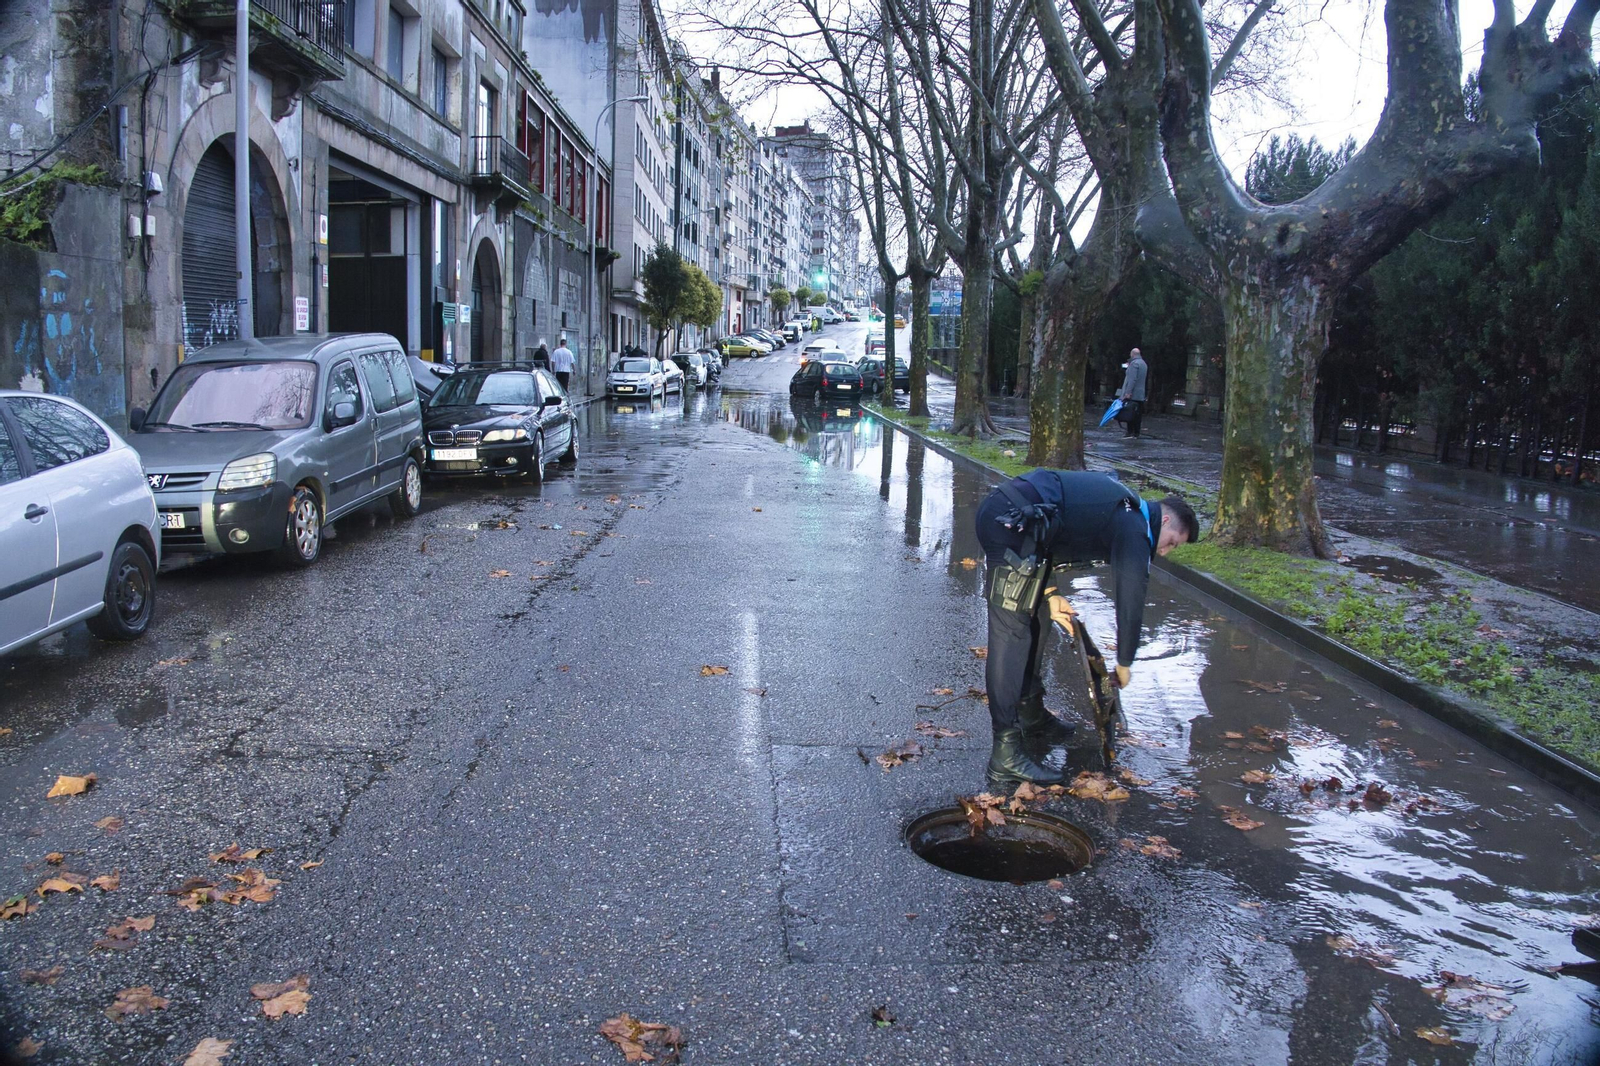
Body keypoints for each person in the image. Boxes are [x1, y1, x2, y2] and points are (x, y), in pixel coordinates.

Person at [975, 470, 1198, 787]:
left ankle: (1031, 714)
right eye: (1171, 542)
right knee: (1012, 634)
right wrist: (1125, 662)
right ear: (1163, 521)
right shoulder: (1135, 526)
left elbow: (1052, 522)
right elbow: (1131, 597)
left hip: (1022, 523)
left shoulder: (1122, 508)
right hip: (1009, 523)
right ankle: (1005, 755)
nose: (1164, 552)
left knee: (1038, 618)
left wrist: (1050, 592)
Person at [1119, 347, 1148, 438]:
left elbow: (1132, 379)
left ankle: (1130, 432)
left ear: (1132, 354)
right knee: (1138, 414)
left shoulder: (1134, 364)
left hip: (1133, 394)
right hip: (1140, 394)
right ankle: (1136, 432)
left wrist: (1128, 392)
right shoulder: (1143, 364)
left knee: (1130, 414)